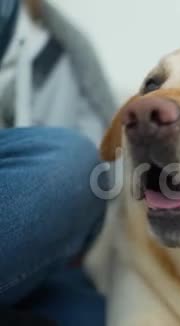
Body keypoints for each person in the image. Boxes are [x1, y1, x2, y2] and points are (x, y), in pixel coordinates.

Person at [0, 1, 112, 325]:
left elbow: (109, 164)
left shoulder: (69, 53)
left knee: (94, 317)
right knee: (69, 161)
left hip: (37, 258)